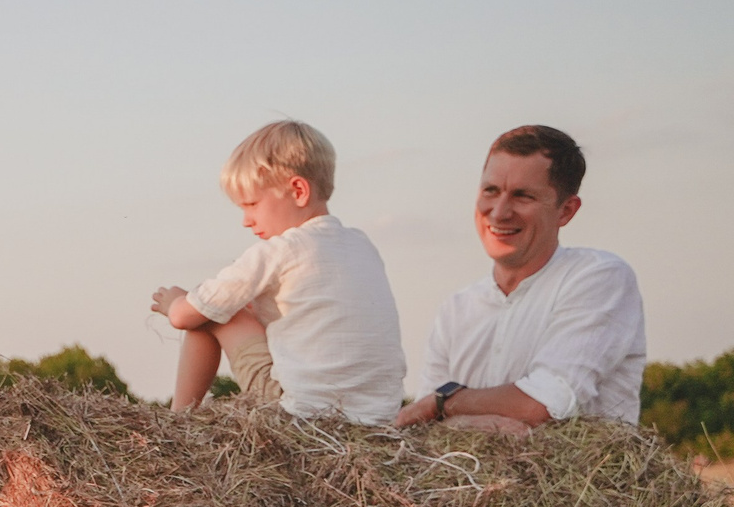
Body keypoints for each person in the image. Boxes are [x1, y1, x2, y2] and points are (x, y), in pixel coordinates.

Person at [148, 121, 406, 425]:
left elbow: (185, 315)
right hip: (379, 418)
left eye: (252, 204)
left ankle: (177, 423)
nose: (246, 220)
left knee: (213, 311)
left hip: (300, 416)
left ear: (298, 190)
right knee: (235, 305)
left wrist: (176, 301)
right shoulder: (362, 245)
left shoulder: (279, 250)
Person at [396, 125, 645, 435]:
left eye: (522, 196)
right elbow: (421, 429)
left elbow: (543, 404)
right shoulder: (455, 310)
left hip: (576, 483)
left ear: (566, 211)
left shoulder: (600, 278)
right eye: (491, 191)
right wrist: (451, 412)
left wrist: (444, 403)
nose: (499, 212)